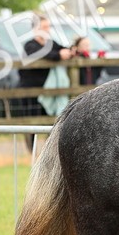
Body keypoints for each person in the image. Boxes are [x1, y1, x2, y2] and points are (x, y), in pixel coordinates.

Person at [19, 13, 72, 149]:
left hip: (48, 90)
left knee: (50, 120)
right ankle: (31, 151)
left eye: (48, 26)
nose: (47, 29)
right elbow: (42, 54)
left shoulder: (51, 43)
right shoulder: (30, 45)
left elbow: (62, 49)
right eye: (44, 27)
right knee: (32, 122)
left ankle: (48, 150)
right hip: (32, 90)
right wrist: (58, 55)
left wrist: (70, 51)